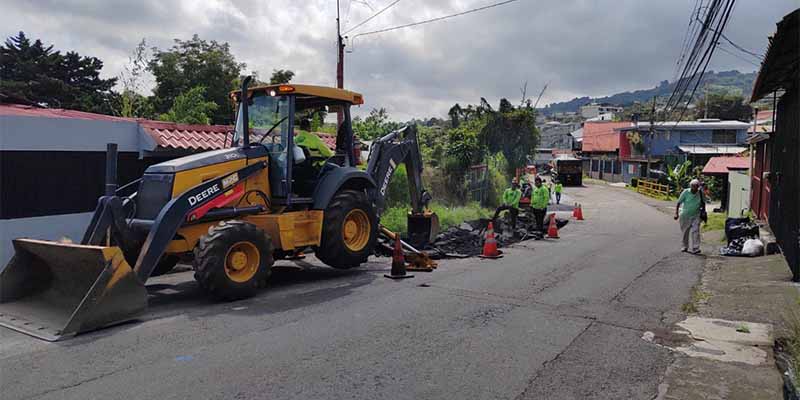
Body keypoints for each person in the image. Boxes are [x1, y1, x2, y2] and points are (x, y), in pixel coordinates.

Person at [674, 179, 705, 254]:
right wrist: (676, 213)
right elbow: (678, 202)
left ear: (698, 187)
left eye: (695, 187)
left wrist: (703, 212)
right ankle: (684, 246)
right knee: (685, 232)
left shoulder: (700, 193)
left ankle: (695, 248)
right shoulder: (685, 192)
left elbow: (703, 203)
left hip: (696, 215)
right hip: (685, 215)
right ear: (690, 186)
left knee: (696, 231)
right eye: (692, 186)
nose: (694, 189)